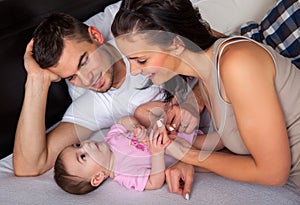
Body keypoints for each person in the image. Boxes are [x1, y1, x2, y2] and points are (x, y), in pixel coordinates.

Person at [110, 0, 300, 199]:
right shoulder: (205, 77)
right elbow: (252, 146)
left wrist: (190, 155)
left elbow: (273, 173)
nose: (133, 70)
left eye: (141, 60)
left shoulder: (238, 64)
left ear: (176, 44)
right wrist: (187, 160)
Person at [13, 8, 199, 177]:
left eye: (84, 61)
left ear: (95, 35)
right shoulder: (92, 104)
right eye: (72, 77)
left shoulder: (131, 30)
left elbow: (212, 45)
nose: (87, 80)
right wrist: (36, 80)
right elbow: (29, 166)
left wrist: (196, 99)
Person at [53, 116, 199, 195]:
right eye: (83, 157)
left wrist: (135, 128)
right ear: (97, 177)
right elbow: (154, 183)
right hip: (184, 151)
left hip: (174, 131)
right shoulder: (123, 174)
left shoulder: (110, 139)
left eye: (78, 145)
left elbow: (124, 121)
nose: (86, 145)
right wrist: (157, 154)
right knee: (212, 146)